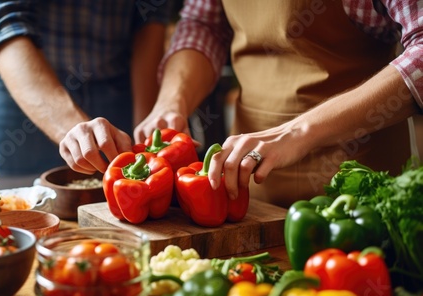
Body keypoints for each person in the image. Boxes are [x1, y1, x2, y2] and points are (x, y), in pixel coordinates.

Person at [128, 0, 423, 208]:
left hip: (360, 193)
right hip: (251, 194)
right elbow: (204, 24)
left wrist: (299, 131)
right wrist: (172, 101)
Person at [0, 0, 170, 189]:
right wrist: (74, 131)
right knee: (16, 217)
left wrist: (146, 137)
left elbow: (150, 19)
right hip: (18, 92)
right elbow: (8, 23)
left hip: (114, 90)